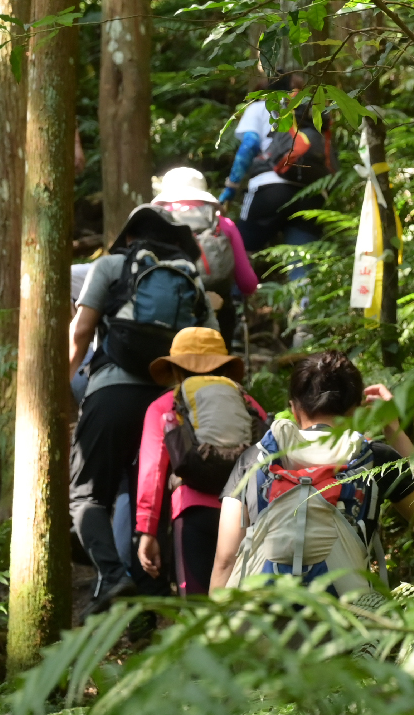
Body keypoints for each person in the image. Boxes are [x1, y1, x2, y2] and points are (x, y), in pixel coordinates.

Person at [67, 204, 214, 613]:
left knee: (86, 494)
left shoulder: (113, 265)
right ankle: (151, 598)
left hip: (111, 393)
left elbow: (81, 331)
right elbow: (212, 346)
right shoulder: (191, 277)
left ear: (130, 237)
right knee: (148, 494)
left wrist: (60, 385)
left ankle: (112, 577)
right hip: (166, 403)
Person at [210, 351, 414, 593]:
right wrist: (394, 430)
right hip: (345, 618)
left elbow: (226, 560)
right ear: (356, 409)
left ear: (293, 408)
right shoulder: (373, 458)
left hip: (263, 619)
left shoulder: (254, 459)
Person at [133, 327, 266, 596]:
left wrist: (147, 531)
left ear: (176, 371)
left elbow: (152, 472)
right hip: (243, 513)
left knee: (197, 607)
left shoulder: (164, 405)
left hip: (192, 513)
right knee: (241, 606)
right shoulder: (247, 402)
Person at [222, 75, 328, 348]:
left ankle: (231, 326)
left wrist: (230, 189)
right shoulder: (311, 110)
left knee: (238, 249)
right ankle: (303, 334)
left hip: (268, 190)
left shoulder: (260, 106)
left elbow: (247, 148)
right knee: (301, 264)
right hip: (311, 194)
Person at [153, 167, 258, 351]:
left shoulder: (156, 224)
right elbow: (248, 283)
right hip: (218, 311)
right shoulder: (223, 224)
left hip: (168, 312)